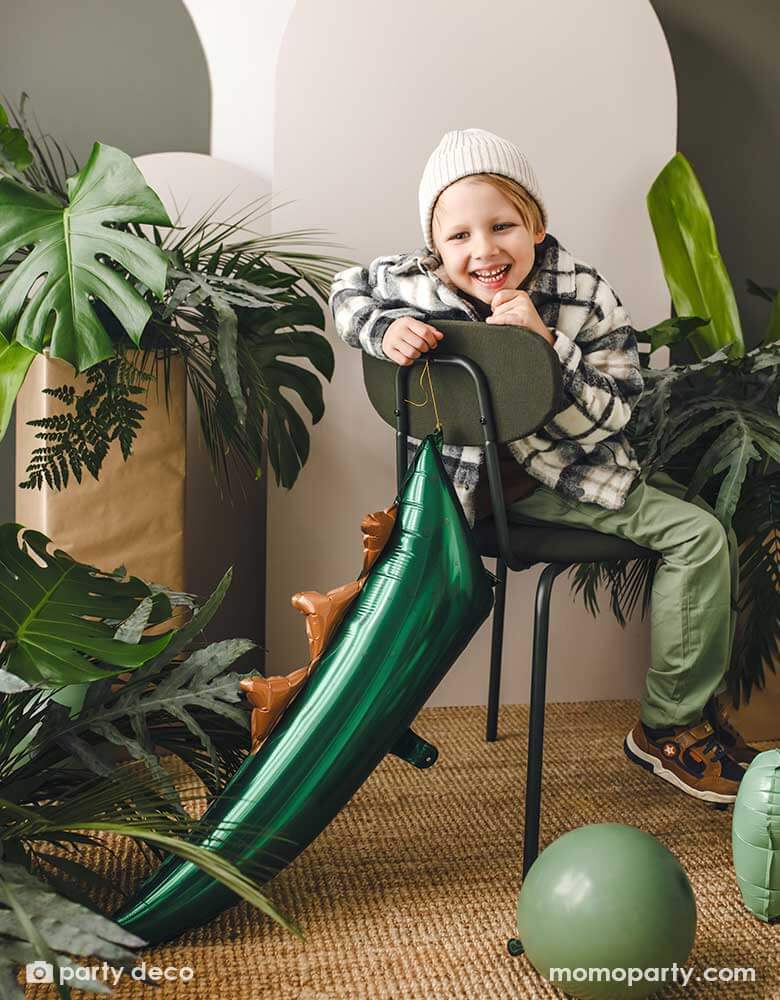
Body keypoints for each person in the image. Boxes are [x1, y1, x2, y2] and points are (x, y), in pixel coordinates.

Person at [329, 127, 757, 804]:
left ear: (536, 223)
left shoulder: (583, 291)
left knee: (702, 519)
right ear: (434, 247)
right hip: (465, 499)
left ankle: (689, 714)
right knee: (700, 536)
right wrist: (381, 329)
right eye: (459, 236)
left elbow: (616, 414)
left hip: (565, 471)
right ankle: (671, 730)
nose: (484, 250)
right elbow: (345, 292)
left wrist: (546, 345)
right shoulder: (411, 284)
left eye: (503, 226)